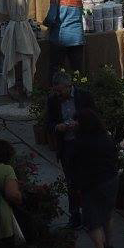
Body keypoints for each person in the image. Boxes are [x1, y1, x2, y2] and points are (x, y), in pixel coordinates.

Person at [45, 71, 96, 228]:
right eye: (56, 91)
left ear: (69, 86)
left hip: (84, 145)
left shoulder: (84, 96)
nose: (58, 94)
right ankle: (75, 216)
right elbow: (48, 123)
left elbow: (95, 118)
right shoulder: (53, 100)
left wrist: (80, 124)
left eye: (60, 91)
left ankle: (90, 215)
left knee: (87, 180)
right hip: (67, 146)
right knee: (71, 182)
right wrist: (57, 127)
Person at [67, 111, 118, 248]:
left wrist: (75, 185)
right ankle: (109, 244)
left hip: (92, 184)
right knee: (107, 214)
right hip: (111, 179)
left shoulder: (80, 143)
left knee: (91, 219)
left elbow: (73, 164)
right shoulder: (106, 138)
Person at [44, 0, 84, 76]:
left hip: (60, 38)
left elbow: (50, 19)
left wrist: (44, 23)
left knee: (56, 69)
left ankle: (56, 85)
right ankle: (79, 85)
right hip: (77, 38)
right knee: (77, 69)